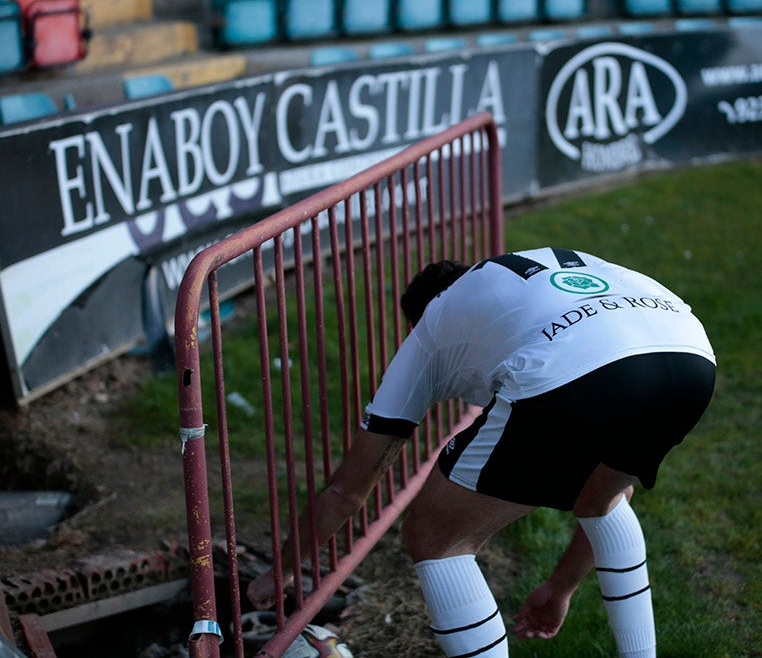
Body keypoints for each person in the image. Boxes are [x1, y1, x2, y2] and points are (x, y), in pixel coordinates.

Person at [248, 247, 716, 657]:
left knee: (436, 535)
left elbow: (346, 490)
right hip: (692, 357)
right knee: (603, 496)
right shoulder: (521, 283)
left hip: (577, 370)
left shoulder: (432, 326)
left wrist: (282, 571)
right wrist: (559, 588)